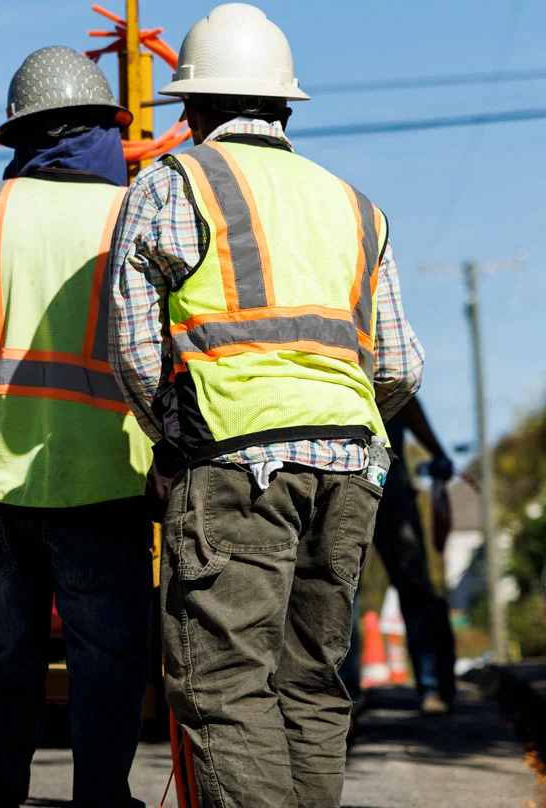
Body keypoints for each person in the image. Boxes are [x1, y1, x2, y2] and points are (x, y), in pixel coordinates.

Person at [105, 4, 424, 806]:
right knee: (310, 685)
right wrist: (347, 429)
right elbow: (401, 366)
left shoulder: (171, 184)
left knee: (222, 688)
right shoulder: (356, 206)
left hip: (237, 465)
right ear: (284, 105)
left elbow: (135, 352)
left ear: (192, 109)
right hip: (351, 468)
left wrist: (172, 443)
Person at [0, 45, 154, 808]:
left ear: (22, 134)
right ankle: (100, 800)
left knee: (5, 650)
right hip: (107, 478)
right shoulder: (132, 212)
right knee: (106, 655)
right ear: (103, 132)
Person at [341, 397, 458, 715]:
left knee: (342, 588)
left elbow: (406, 398)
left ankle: (346, 693)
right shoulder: (377, 350)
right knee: (408, 586)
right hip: (379, 479)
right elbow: (405, 391)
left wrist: (438, 452)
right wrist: (438, 452)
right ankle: (431, 686)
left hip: (348, 477)